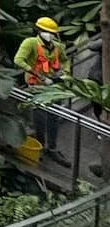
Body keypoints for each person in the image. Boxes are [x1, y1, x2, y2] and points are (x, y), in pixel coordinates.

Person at [17, 16, 70, 154]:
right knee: (40, 117)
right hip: (37, 86)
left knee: (54, 117)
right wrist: (38, 75)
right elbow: (19, 60)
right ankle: (40, 144)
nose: (50, 35)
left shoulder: (57, 46)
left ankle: (52, 147)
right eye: (47, 32)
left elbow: (65, 60)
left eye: (52, 33)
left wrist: (66, 73)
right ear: (39, 31)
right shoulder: (31, 43)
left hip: (55, 86)